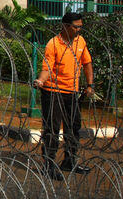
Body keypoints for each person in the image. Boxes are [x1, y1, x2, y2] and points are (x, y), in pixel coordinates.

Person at [33, 12, 95, 180]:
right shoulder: (53, 44)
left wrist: (90, 85)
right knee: (52, 130)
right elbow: (47, 68)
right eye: (76, 27)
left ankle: (69, 160)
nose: (79, 30)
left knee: (73, 128)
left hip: (72, 92)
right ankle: (49, 165)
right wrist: (40, 80)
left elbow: (87, 63)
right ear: (66, 26)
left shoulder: (80, 41)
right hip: (53, 92)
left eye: (81, 27)